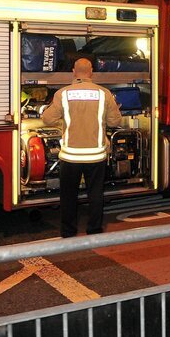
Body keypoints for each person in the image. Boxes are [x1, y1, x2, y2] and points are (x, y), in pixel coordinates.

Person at [41, 57, 122, 237]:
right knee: (95, 193)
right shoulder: (104, 94)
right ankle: (94, 229)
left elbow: (47, 119)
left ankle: (68, 231)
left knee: (68, 195)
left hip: (70, 156)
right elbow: (115, 121)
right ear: (91, 72)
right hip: (96, 155)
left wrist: (63, 119)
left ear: (73, 72)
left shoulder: (63, 94)